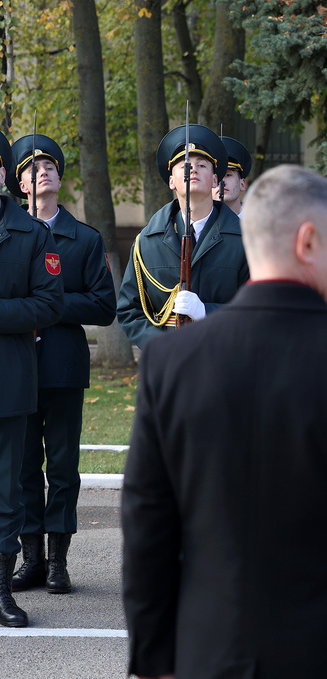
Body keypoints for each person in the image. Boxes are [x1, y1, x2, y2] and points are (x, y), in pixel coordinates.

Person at [122, 165, 327, 679]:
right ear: (309, 241)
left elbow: (148, 526)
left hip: (209, 650)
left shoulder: (172, 361)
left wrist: (154, 658)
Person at [6, 135, 116, 596]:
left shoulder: (84, 239)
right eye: (30, 166)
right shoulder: (8, 236)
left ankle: (58, 562)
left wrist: (47, 304)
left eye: (49, 164)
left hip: (62, 366)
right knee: (24, 467)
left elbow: (103, 305)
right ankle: (29, 559)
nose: (41, 171)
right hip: (16, 365)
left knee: (64, 466)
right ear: (18, 181)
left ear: (60, 175)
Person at [0, 132, 64, 627]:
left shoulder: (32, 234)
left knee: (7, 492)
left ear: (3, 173)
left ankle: (2, 590)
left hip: (8, 381)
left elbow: (48, 303)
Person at [117, 123, 248, 348]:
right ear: (171, 181)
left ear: (216, 181)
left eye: (202, 165)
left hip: (224, 361)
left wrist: (206, 311)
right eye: (184, 165)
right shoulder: (147, 242)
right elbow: (130, 311)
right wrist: (163, 347)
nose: (193, 169)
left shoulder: (245, 241)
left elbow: (257, 309)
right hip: (168, 368)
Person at [214, 135, 252, 216]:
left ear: (242, 184)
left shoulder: (257, 222)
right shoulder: (200, 225)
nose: (222, 181)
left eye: (228, 175)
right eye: (217, 176)